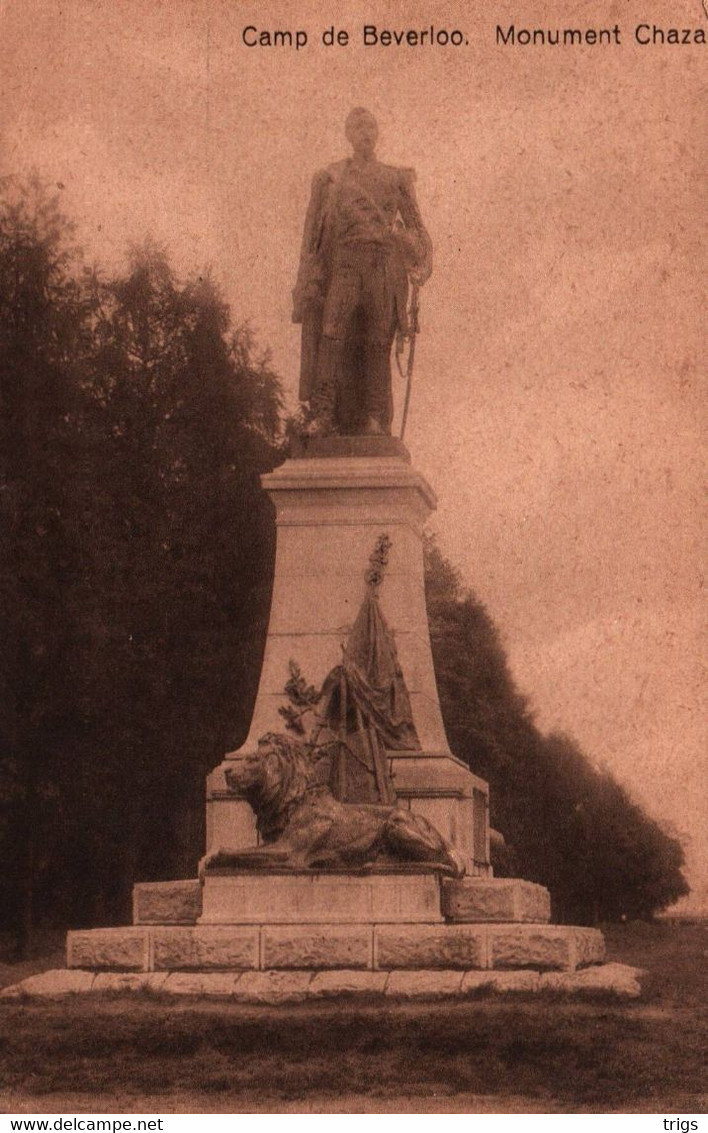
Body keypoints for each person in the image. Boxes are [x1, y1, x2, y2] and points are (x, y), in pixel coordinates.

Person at [292, 108, 433, 436]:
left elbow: (419, 232)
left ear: (377, 133)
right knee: (331, 334)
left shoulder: (394, 178)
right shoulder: (331, 177)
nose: (364, 133)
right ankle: (323, 414)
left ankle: (374, 417)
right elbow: (311, 236)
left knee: (377, 340)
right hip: (344, 265)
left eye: (370, 127)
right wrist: (306, 280)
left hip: (381, 267)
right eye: (357, 128)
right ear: (348, 134)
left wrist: (415, 258)